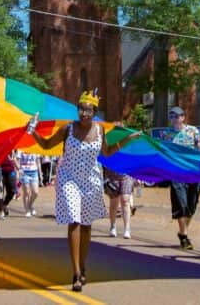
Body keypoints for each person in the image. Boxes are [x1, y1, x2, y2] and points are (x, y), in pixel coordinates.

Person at [30, 90, 141, 292]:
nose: (83, 113)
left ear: (94, 112)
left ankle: (82, 265)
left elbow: (106, 152)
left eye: (88, 110)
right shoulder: (68, 129)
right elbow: (46, 145)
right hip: (69, 179)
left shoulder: (99, 131)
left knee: (87, 226)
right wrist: (33, 131)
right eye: (80, 109)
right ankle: (76, 273)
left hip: (91, 181)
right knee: (74, 221)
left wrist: (127, 140)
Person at [162, 105, 200, 250]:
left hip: (192, 172)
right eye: (172, 116)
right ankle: (185, 235)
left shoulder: (193, 131)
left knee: (191, 205)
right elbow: (163, 152)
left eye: (177, 116)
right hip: (176, 173)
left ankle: (182, 232)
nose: (174, 119)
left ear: (183, 117)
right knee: (181, 203)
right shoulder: (166, 134)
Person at [104, 167, 134, 238]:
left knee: (125, 200)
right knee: (114, 202)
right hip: (112, 176)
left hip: (127, 175)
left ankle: (127, 228)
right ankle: (112, 226)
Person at [18, 150, 40, 216]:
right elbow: (17, 160)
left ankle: (30, 205)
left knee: (35, 192)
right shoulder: (21, 148)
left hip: (34, 172)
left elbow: (38, 161)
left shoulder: (36, 147)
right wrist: (19, 169)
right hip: (24, 172)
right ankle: (27, 210)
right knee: (26, 192)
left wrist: (40, 174)